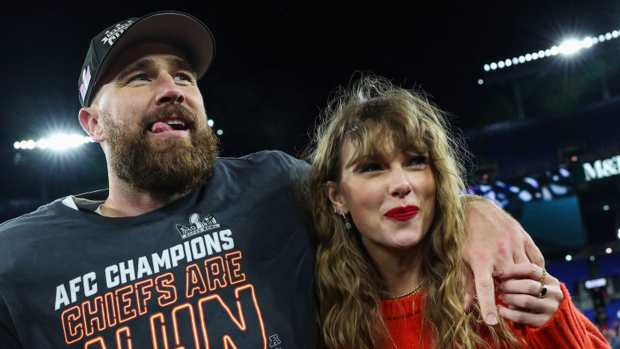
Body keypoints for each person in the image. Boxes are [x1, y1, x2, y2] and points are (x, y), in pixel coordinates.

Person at [0, 10, 545, 349]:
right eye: (140, 77)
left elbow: (384, 190)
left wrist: (475, 209)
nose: (172, 88)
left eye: (183, 75)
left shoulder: (275, 184)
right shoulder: (17, 257)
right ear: (91, 123)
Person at [307, 75, 609, 348]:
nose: (401, 184)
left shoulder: (497, 282)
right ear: (337, 197)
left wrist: (554, 326)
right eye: (372, 167)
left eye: (415, 162)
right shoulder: (324, 317)